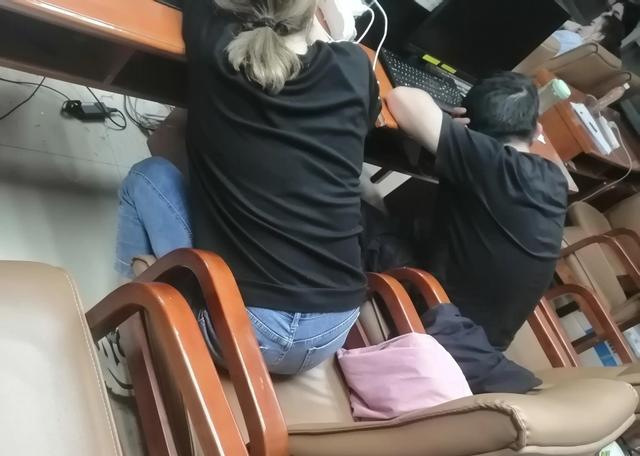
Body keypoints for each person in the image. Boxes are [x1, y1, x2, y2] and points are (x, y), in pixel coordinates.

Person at [104, 0, 380, 394]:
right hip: (331, 329)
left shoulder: (212, 40)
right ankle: (160, 286)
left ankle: (127, 334)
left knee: (148, 176)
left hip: (243, 329)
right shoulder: (355, 66)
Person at [372, 72, 568, 351]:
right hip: (480, 343)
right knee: (396, 209)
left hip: (432, 321)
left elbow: (401, 99)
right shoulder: (553, 177)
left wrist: (449, 125)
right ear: (537, 131)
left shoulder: (492, 163)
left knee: (344, 195)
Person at [553, 13, 625, 56]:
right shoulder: (587, 59)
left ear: (598, 36)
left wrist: (564, 23)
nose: (582, 26)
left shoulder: (573, 38)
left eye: (590, 24)